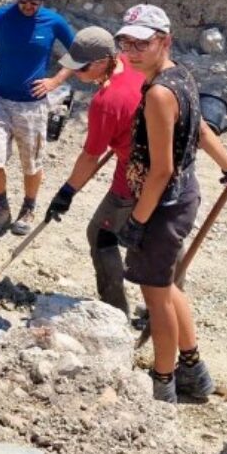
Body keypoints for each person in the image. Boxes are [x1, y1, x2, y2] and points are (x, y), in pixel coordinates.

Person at [112, 5, 227, 404]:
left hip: (163, 204)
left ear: (165, 41)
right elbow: (200, 129)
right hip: (182, 195)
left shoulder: (159, 93)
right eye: (126, 43)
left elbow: (161, 169)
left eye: (143, 43)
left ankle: (164, 382)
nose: (132, 51)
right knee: (169, 287)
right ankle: (194, 371)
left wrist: (138, 221)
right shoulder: (180, 77)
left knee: (155, 297)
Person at [43, 27, 145, 318]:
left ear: (102, 61)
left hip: (135, 179)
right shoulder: (133, 63)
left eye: (82, 67)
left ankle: (115, 314)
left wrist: (66, 193)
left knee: (101, 235)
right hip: (169, 169)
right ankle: (160, 308)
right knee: (160, 237)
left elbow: (90, 157)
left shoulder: (105, 103)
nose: (76, 73)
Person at [0, 0, 75, 237]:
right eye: (24, 1)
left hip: (33, 105)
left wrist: (55, 81)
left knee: (31, 162)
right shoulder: (0, 17)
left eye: (35, 1)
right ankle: (1, 208)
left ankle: (28, 208)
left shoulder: (54, 22)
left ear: (43, 0)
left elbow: (79, 53)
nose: (29, 6)